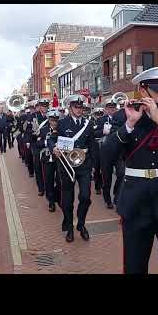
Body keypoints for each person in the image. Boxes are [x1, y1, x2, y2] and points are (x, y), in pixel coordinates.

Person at [102, 66, 158, 274]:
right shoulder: (123, 117)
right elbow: (106, 155)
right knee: (135, 265)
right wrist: (129, 125)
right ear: (143, 92)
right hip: (135, 200)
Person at [48, 94, 94, 243]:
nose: (79, 110)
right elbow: (51, 139)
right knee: (67, 200)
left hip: (84, 165)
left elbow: (92, 145)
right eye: (76, 107)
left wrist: (93, 165)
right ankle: (69, 227)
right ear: (70, 108)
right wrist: (53, 148)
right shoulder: (62, 123)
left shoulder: (88, 123)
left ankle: (81, 224)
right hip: (67, 164)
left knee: (86, 197)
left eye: (81, 107)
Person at [94, 99, 122, 208]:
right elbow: (94, 134)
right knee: (107, 178)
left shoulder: (121, 119)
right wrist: (102, 132)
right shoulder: (100, 120)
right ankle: (108, 199)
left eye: (113, 107)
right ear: (105, 109)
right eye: (109, 108)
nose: (112, 110)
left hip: (118, 151)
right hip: (105, 152)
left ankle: (117, 194)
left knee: (121, 173)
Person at [37, 109, 61, 212]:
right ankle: (51, 202)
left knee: (60, 181)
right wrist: (46, 143)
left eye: (56, 119)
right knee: (48, 181)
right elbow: (37, 144)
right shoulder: (43, 130)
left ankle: (56, 196)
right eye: (52, 120)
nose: (54, 122)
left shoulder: (62, 129)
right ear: (49, 120)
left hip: (59, 158)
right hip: (47, 158)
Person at [32, 99, 49, 196]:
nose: (44, 108)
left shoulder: (52, 115)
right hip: (37, 146)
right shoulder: (34, 116)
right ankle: (41, 188)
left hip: (48, 144)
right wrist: (35, 135)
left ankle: (49, 187)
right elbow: (30, 131)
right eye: (42, 106)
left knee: (49, 169)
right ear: (39, 106)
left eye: (46, 106)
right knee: (38, 167)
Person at [91, 107, 105, 197]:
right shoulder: (91, 123)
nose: (99, 116)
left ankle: (103, 184)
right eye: (97, 114)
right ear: (94, 115)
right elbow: (92, 133)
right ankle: (97, 186)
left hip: (104, 147)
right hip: (95, 147)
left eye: (100, 114)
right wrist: (102, 132)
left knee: (104, 168)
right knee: (96, 167)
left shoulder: (105, 122)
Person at [22, 107, 35, 177]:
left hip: (36, 139)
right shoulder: (27, 117)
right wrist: (27, 141)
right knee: (29, 155)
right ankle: (31, 172)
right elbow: (24, 129)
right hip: (29, 139)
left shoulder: (37, 116)